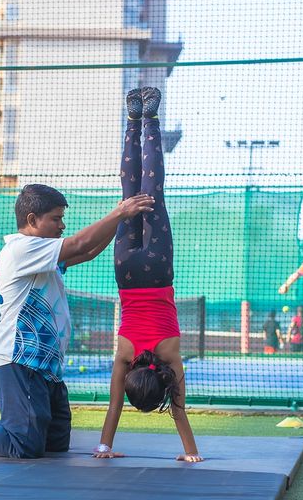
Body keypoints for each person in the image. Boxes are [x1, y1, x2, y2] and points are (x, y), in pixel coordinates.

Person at [0, 184, 154, 463]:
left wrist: (120, 221)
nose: (62, 225)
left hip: (46, 369)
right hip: (19, 364)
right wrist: (119, 213)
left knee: (54, 444)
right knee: (25, 446)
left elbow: (87, 253)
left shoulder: (42, 254)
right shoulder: (21, 249)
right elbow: (79, 244)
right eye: (56, 219)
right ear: (32, 220)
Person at [93, 87, 202, 463]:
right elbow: (114, 407)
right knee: (130, 195)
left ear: (163, 384)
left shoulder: (170, 357)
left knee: (151, 191)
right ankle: (132, 120)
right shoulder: (123, 355)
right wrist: (103, 447)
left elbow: (179, 411)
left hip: (157, 271)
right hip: (126, 271)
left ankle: (149, 119)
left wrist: (191, 452)